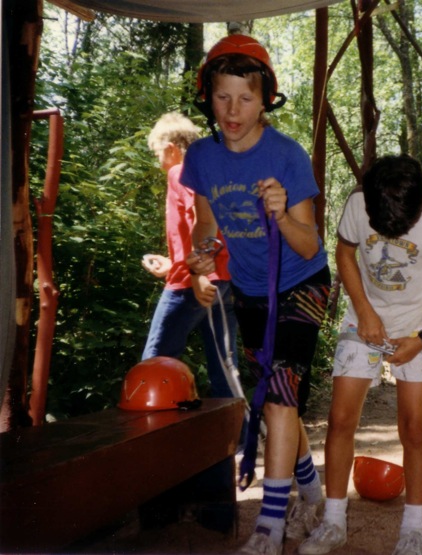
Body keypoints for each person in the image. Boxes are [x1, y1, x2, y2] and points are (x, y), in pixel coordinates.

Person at [182, 35, 331, 555]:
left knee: (281, 395)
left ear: (265, 97)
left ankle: (268, 526)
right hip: (249, 290)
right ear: (207, 96)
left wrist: (283, 214)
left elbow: (310, 243)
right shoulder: (201, 156)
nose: (232, 111)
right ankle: (311, 491)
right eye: (222, 97)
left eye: (245, 98)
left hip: (302, 284)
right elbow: (205, 226)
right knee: (274, 397)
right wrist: (202, 261)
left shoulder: (287, 155)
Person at [299, 154, 422, 555]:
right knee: (340, 419)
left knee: (413, 428)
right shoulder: (358, 201)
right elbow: (344, 254)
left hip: (417, 329)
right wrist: (364, 310)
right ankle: (334, 522)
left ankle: (413, 530)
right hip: (362, 321)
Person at [141, 112, 238, 400]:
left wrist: (197, 274)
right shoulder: (209, 173)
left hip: (192, 283)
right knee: (224, 368)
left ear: (171, 148)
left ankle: (154, 424)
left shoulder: (180, 172)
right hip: (224, 280)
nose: (158, 160)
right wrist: (173, 262)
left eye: (157, 152)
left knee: (153, 364)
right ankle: (238, 429)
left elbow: (201, 218)